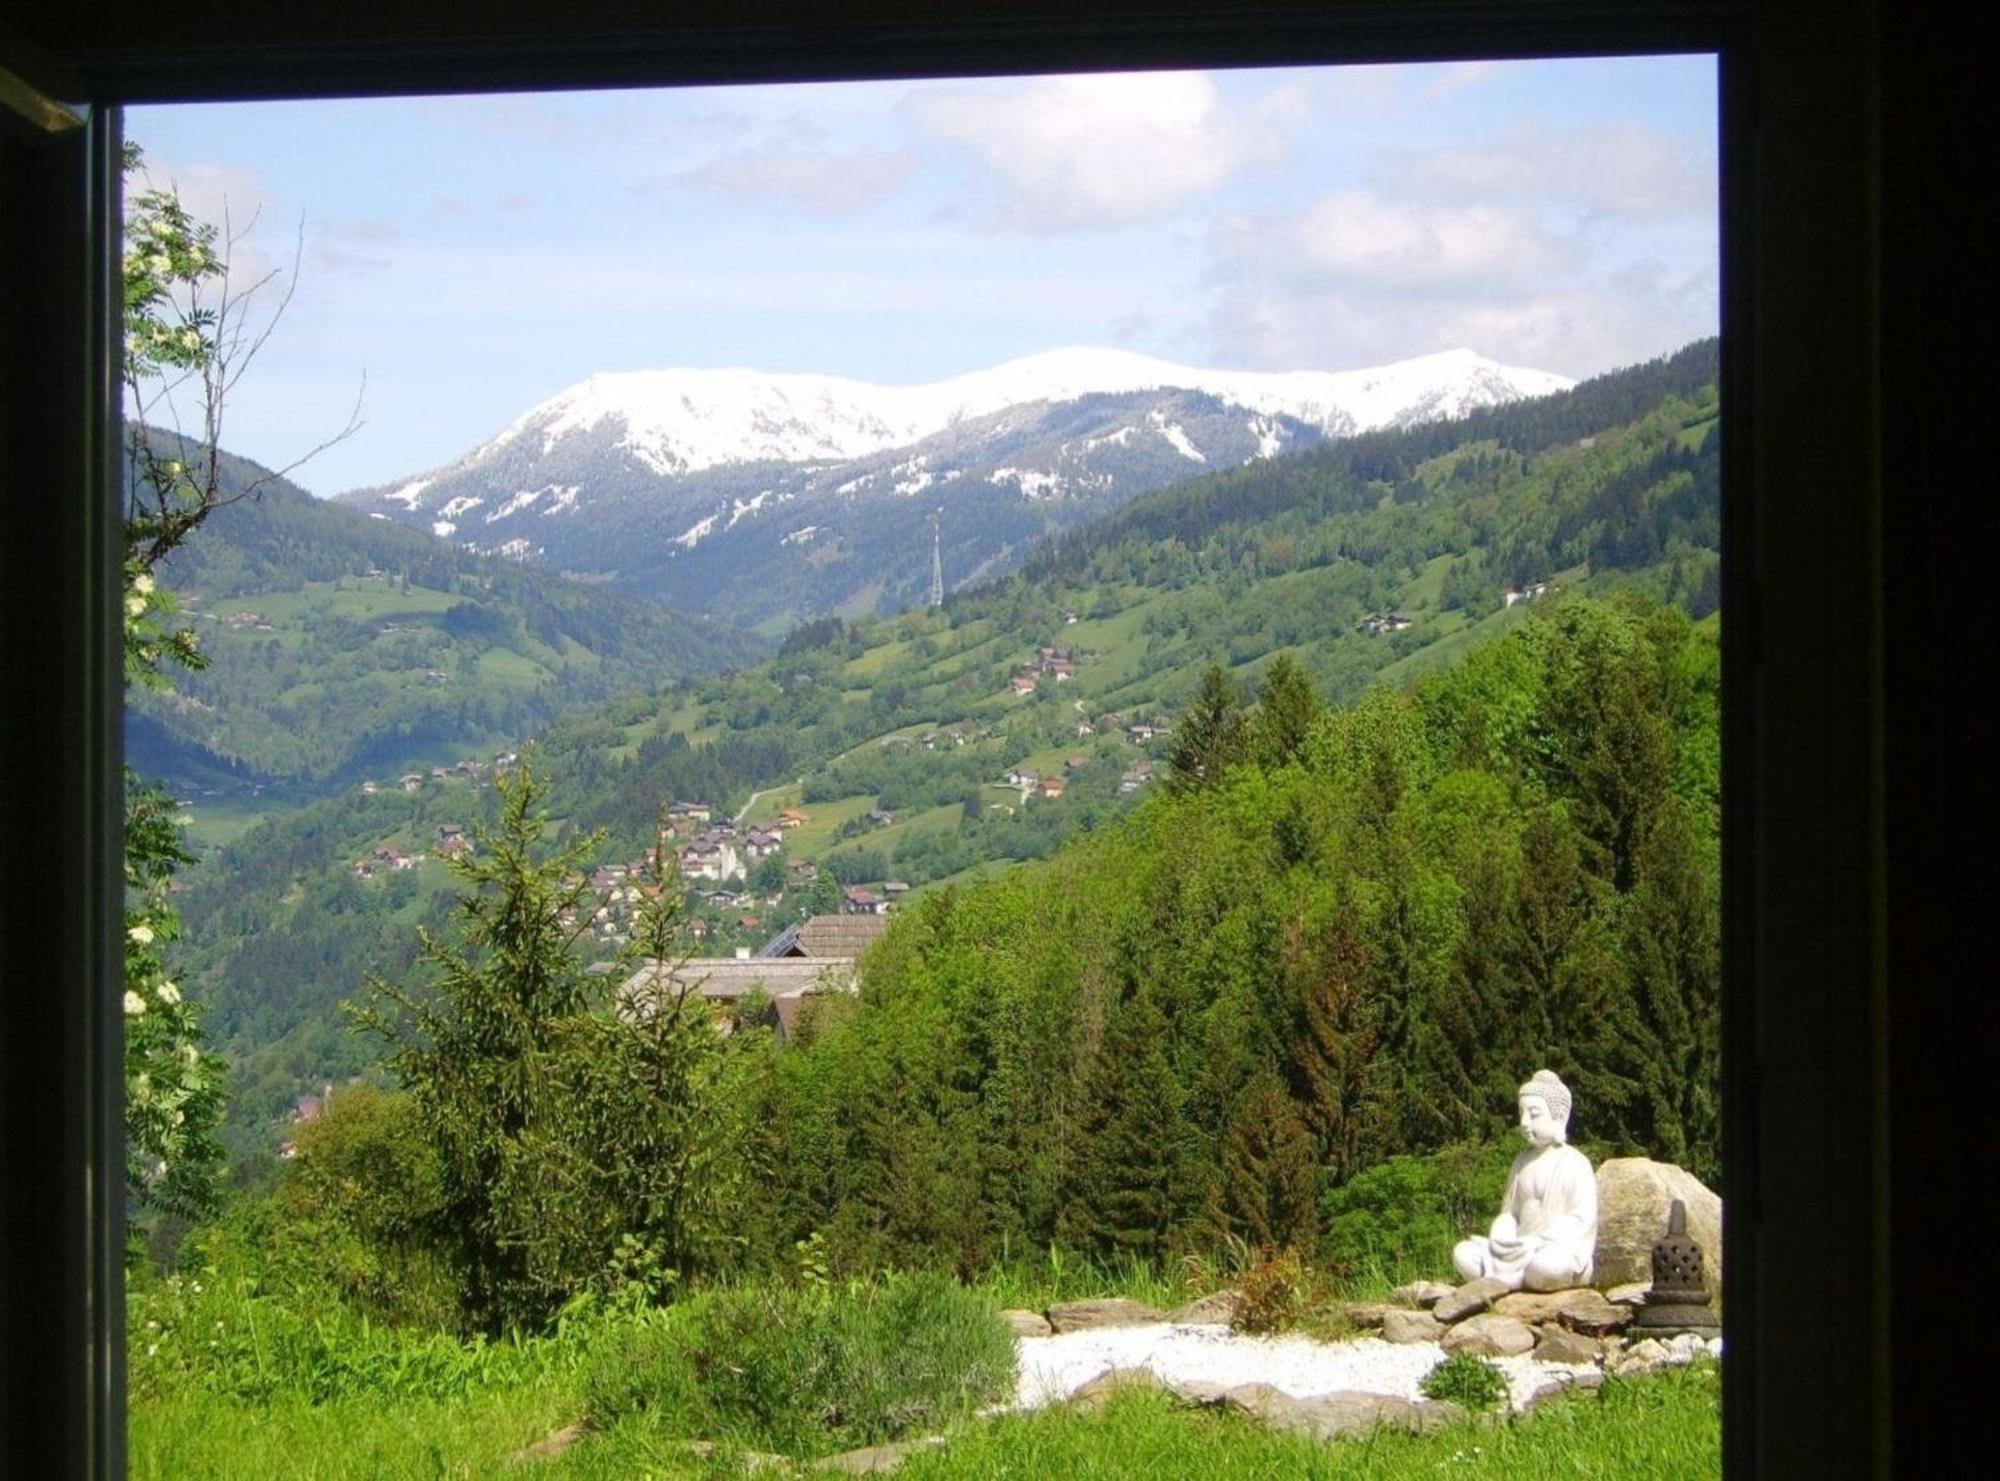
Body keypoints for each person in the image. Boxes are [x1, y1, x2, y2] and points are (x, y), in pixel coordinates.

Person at [1453, 1069, 1597, 1291]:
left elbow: (1580, 1219)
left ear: (1558, 1116)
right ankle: (1516, 1278)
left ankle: (1513, 1280)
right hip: (1519, 1250)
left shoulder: (1575, 1162)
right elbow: (1510, 1212)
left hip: (1552, 1250)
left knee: (1548, 1266)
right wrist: (1502, 1231)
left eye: (1534, 1113)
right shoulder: (1521, 1161)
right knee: (1463, 1253)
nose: (1524, 1122)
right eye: (1522, 1113)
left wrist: (1538, 1241)